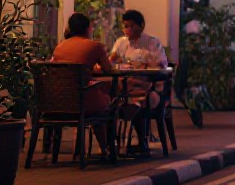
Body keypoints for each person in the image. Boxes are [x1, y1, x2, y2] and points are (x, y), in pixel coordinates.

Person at [51, 12, 115, 155]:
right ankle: (107, 148)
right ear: (88, 28)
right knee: (107, 102)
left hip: (59, 102)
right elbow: (108, 69)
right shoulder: (94, 46)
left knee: (98, 95)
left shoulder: (59, 47)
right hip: (83, 101)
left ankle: (103, 149)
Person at [109, 9, 170, 155]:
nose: (127, 30)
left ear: (141, 26)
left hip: (149, 88)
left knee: (138, 101)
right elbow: (111, 61)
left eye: (131, 26)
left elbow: (162, 65)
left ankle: (142, 142)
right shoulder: (121, 42)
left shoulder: (151, 43)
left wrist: (146, 61)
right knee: (110, 100)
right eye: (125, 26)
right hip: (126, 87)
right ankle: (111, 145)